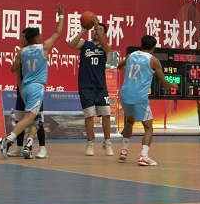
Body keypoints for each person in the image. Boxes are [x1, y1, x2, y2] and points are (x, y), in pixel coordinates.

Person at [0, 4, 65, 159]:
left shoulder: (21, 52)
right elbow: (58, 32)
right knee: (30, 118)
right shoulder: (43, 47)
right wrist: (61, 15)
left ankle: (29, 145)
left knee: (35, 119)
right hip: (36, 88)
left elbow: (13, 68)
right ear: (36, 38)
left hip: (25, 87)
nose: (41, 36)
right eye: (39, 34)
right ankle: (7, 140)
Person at [117, 35, 177, 166]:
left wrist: (129, 72)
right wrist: (173, 85)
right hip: (139, 97)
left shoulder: (131, 55)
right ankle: (143, 157)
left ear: (141, 45)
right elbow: (163, 82)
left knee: (129, 121)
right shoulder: (153, 60)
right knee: (148, 128)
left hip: (125, 95)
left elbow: (119, 66)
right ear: (154, 47)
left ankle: (124, 151)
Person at [69, 16, 113, 157]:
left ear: (104, 33)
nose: (96, 31)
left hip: (101, 86)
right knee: (89, 116)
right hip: (85, 85)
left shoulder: (106, 46)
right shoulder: (85, 44)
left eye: (99, 29)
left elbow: (105, 46)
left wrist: (98, 27)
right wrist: (84, 30)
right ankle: (89, 143)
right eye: (95, 29)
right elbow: (71, 45)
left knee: (106, 114)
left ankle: (107, 142)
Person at [7, 28, 48, 159]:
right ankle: (20, 147)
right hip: (23, 90)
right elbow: (16, 73)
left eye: (24, 37)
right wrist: (20, 89)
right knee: (20, 119)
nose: (22, 39)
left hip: (34, 89)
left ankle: (42, 148)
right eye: (21, 36)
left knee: (37, 119)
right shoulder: (22, 53)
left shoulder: (37, 51)